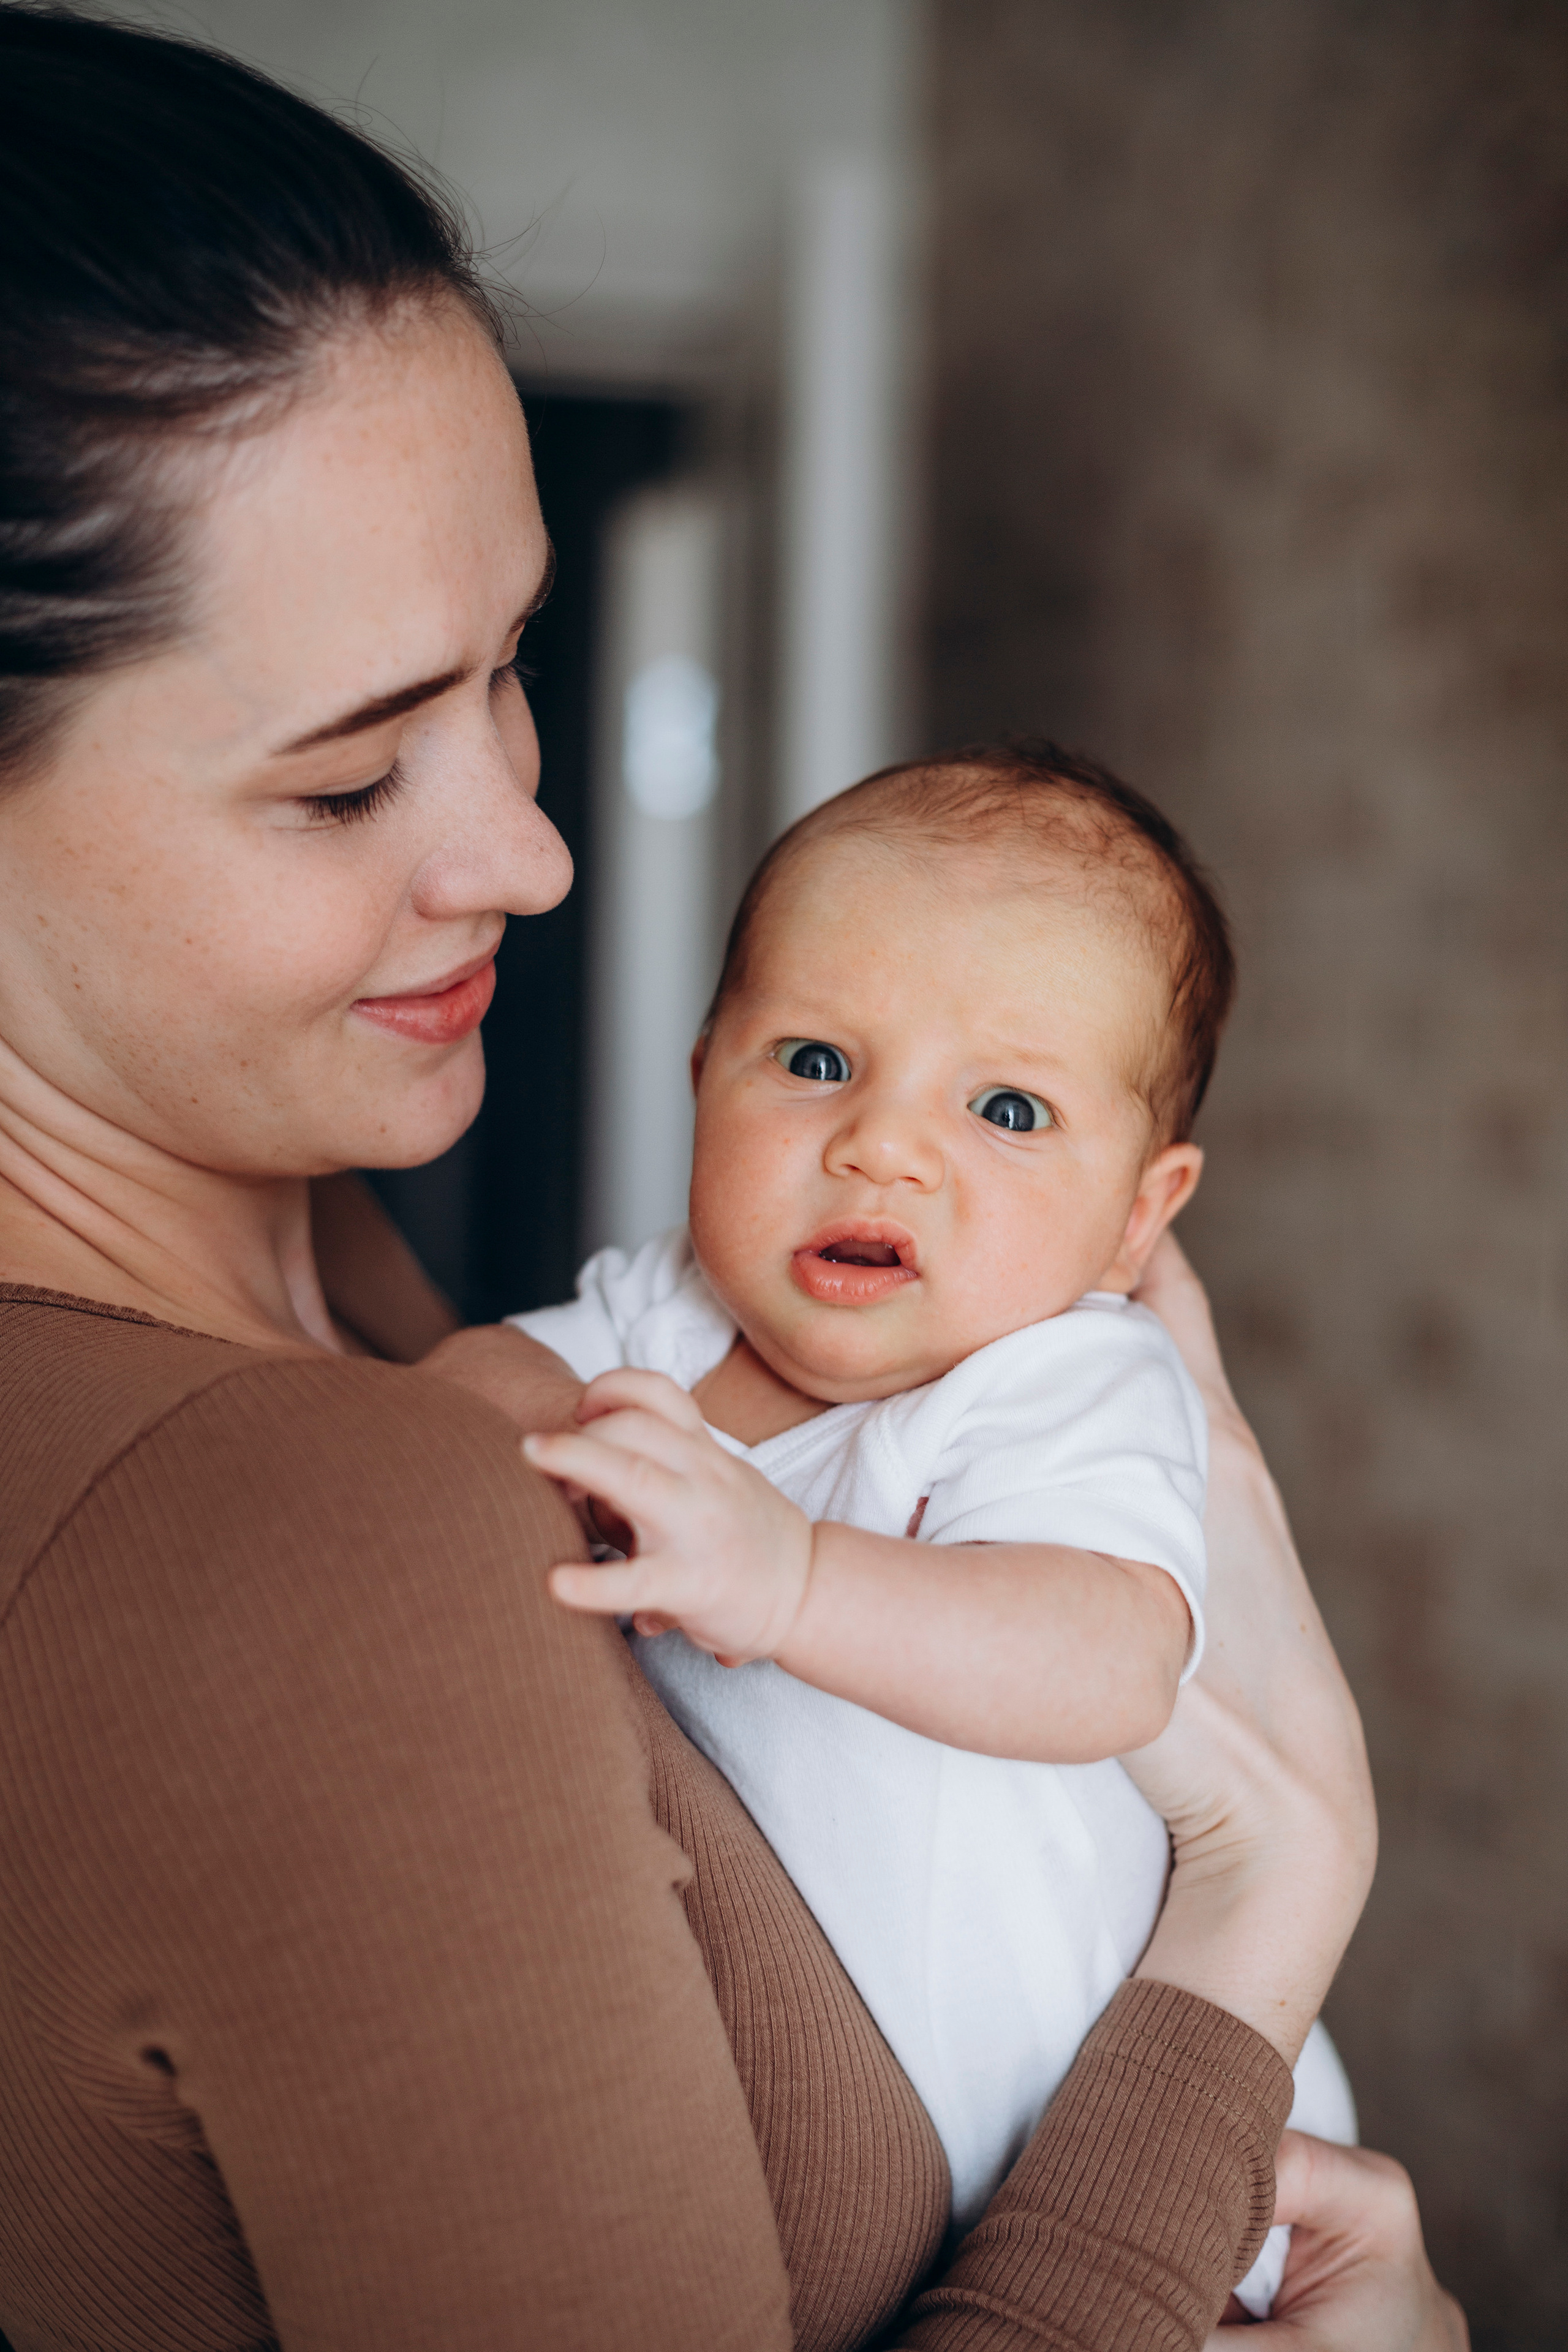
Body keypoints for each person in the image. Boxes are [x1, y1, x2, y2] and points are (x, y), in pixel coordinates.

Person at [0, 7, 1462, 2347]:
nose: (542, 852)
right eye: (350, 781)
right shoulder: (290, 1526)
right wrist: (1275, 1881)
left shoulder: (343, 1272)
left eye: (508, 672)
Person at [509, 744, 1352, 2302]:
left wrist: (797, 1580)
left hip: (1133, 2178)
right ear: (702, 1075)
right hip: (853, 2181)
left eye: (1007, 1106)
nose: (882, 1144)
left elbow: (1106, 1661)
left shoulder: (1062, 1375)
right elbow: (424, 1425)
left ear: (1137, 1216)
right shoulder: (663, 1316)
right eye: (816, 1062)